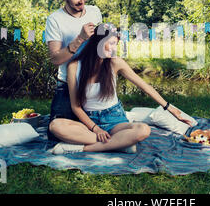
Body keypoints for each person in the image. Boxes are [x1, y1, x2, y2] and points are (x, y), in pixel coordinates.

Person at [48, 23, 193, 154]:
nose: (114, 49)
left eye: (116, 44)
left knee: (143, 130)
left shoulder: (115, 63)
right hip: (89, 122)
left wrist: (169, 108)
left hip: (115, 119)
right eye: (110, 44)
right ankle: (120, 143)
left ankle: (83, 147)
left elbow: (145, 86)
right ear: (98, 42)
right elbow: (76, 107)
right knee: (55, 126)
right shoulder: (74, 66)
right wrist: (96, 129)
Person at [44, 0, 102, 142]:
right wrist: (80, 39)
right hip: (67, 85)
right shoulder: (55, 19)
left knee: (105, 126)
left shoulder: (94, 11)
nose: (82, 1)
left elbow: (100, 46)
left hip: (93, 82)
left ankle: (95, 138)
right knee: (55, 135)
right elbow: (55, 59)